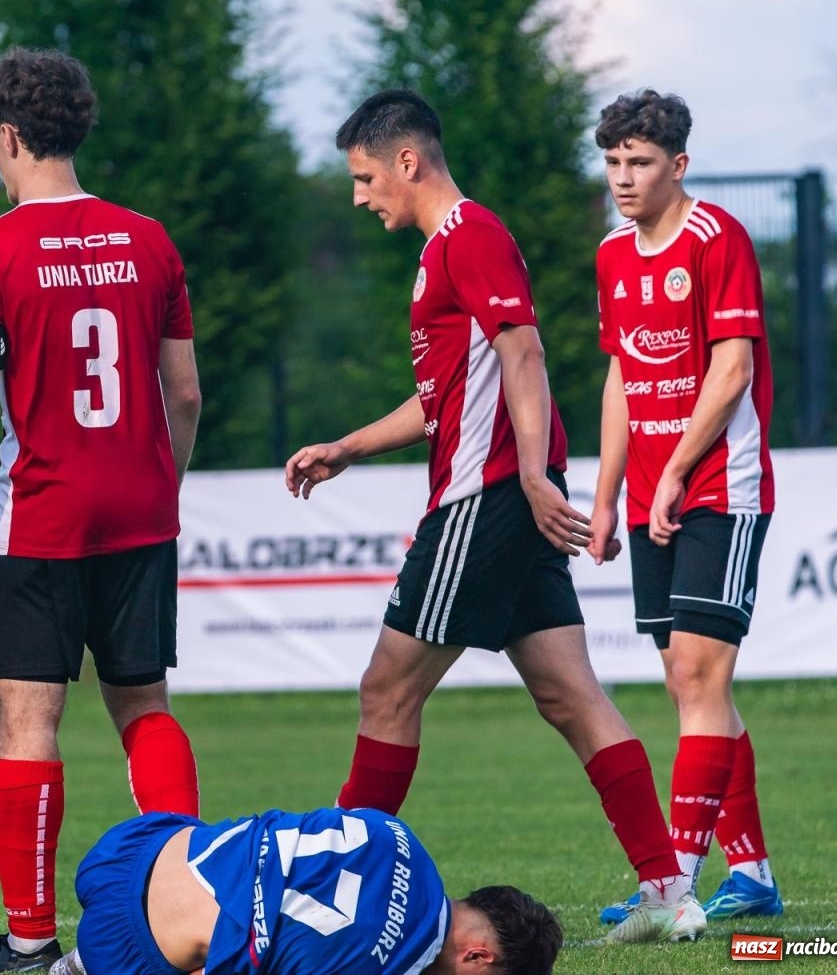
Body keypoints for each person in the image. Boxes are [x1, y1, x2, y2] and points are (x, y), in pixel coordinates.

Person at [283, 89, 704, 946]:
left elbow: (524, 350)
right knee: (570, 693)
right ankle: (667, 892)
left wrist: (534, 475)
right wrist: (350, 445)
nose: (361, 196)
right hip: (509, 495)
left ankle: (328, 900)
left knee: (386, 690)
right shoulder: (447, 247)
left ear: (408, 161)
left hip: (484, 502)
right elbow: (448, 394)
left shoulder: (469, 235)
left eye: (366, 177)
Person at [0, 47, 205, 972]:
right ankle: (187, 904)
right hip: (139, 512)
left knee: (28, 723)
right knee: (145, 708)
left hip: (40, 518)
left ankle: (34, 942)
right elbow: (187, 396)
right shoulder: (149, 238)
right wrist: (159, 485)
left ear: (7, 135)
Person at [588, 89, 783, 926]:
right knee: (686, 681)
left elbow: (731, 369)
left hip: (718, 488)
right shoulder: (611, 255)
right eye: (613, 163)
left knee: (701, 677)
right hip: (649, 496)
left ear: (679, 166)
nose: (624, 179)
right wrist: (603, 494)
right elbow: (623, 377)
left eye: (640, 162)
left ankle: (673, 885)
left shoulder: (718, 239)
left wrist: (674, 472)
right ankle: (755, 876)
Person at [53, 805, 562, 975]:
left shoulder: (399, 833)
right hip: (131, 948)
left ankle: (78, 963)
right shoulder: (385, 961)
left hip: (134, 844)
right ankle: (84, 965)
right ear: (480, 956)